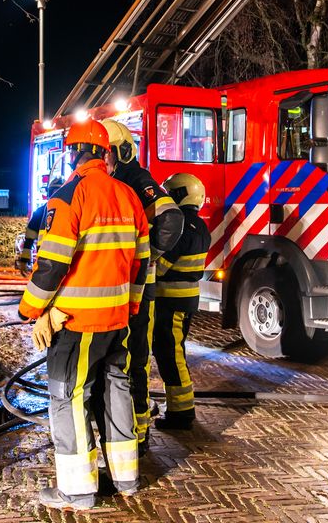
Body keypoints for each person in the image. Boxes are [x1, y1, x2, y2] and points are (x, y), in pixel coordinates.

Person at [18, 119, 150, 510]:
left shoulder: (68, 196)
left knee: (68, 397)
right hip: (118, 319)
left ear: (72, 153)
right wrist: (131, 307)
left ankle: (77, 490)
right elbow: (142, 263)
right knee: (116, 389)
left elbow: (52, 264)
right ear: (106, 154)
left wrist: (30, 310)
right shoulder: (128, 196)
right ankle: (126, 478)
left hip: (76, 323)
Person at [102, 119, 183, 452]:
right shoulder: (112, 181)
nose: (101, 158)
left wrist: (149, 255)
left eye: (106, 152)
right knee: (117, 359)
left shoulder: (137, 179)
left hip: (139, 287)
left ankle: (139, 432)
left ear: (122, 151)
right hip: (116, 287)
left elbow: (171, 218)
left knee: (135, 358)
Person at [152, 173, 211, 430]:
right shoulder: (200, 226)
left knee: (171, 354)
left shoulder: (180, 226)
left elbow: (159, 267)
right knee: (174, 351)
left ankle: (182, 412)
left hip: (170, 299)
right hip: (186, 298)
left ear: (179, 195)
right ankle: (179, 407)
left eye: (169, 194)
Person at [15, 176, 63, 276]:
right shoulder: (40, 213)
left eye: (60, 192)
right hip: (45, 265)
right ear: (49, 194)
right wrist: (24, 260)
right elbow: (29, 239)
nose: (57, 196)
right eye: (55, 192)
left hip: (63, 265)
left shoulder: (72, 214)